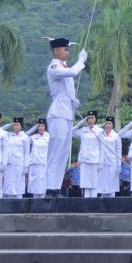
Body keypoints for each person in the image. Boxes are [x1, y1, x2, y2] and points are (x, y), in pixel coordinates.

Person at [45, 37, 88, 196]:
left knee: (63, 153)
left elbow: (67, 90)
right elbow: (73, 72)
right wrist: (81, 61)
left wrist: (73, 101)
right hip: (58, 113)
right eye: (65, 49)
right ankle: (50, 187)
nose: (68, 52)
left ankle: (55, 187)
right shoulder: (54, 67)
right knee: (55, 151)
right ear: (56, 51)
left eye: (68, 49)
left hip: (67, 113)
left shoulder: (64, 67)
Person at [73, 111, 104, 198]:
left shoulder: (100, 131)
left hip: (95, 161)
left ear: (95, 119)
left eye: (92, 118)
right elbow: (71, 132)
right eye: (88, 118)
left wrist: (101, 162)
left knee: (94, 184)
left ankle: (93, 203)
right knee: (85, 184)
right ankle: (86, 202)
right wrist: (81, 122)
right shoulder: (83, 130)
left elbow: (102, 148)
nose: (90, 120)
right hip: (84, 160)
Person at [3, 117, 30, 199]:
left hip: (19, 164)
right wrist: (9, 125)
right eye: (14, 125)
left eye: (17, 125)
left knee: (18, 184)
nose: (15, 126)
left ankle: (19, 200)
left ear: (21, 125)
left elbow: (27, 152)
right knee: (9, 183)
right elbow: (1, 130)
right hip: (9, 164)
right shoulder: (9, 135)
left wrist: (26, 166)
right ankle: (8, 200)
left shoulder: (25, 137)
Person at [98, 116, 122, 197]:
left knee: (112, 186)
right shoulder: (100, 134)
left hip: (113, 163)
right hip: (103, 162)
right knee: (103, 185)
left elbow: (118, 151)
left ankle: (112, 203)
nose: (107, 125)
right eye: (106, 123)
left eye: (109, 123)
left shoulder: (116, 136)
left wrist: (119, 165)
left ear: (113, 125)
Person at [26, 118, 51, 198]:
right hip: (34, 163)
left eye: (42, 125)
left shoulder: (49, 136)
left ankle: (42, 201)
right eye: (39, 126)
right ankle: (35, 201)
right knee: (33, 184)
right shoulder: (34, 137)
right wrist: (33, 128)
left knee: (42, 185)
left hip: (43, 164)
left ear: (45, 126)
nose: (40, 127)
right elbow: (25, 136)